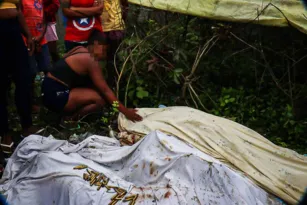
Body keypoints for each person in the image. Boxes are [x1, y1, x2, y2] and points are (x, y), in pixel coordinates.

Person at [41, 29, 143, 123]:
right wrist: (125, 111)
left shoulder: (79, 48)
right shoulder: (90, 60)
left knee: (96, 92)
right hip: (56, 96)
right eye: (105, 50)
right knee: (99, 100)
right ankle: (70, 120)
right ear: (96, 44)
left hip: (47, 91)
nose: (105, 55)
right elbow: (105, 91)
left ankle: (63, 113)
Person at [0, 0, 40, 155]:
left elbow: (18, 11)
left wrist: (28, 35)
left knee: (23, 80)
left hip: (15, 34)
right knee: (1, 85)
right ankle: (5, 133)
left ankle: (27, 126)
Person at [101, 0, 128, 88]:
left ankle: (115, 82)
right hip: (100, 28)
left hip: (116, 27)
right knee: (100, 58)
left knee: (114, 57)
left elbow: (125, 5)